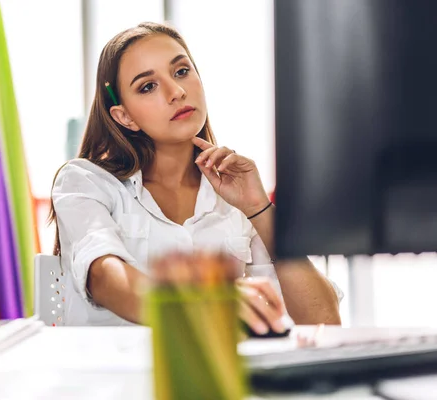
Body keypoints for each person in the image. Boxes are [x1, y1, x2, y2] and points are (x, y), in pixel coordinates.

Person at [50, 22, 342, 332]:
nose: (176, 92)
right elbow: (106, 279)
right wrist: (211, 304)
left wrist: (257, 208)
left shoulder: (233, 195)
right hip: (112, 375)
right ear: (125, 117)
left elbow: (323, 321)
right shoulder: (84, 181)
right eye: (148, 86)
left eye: (181, 72)